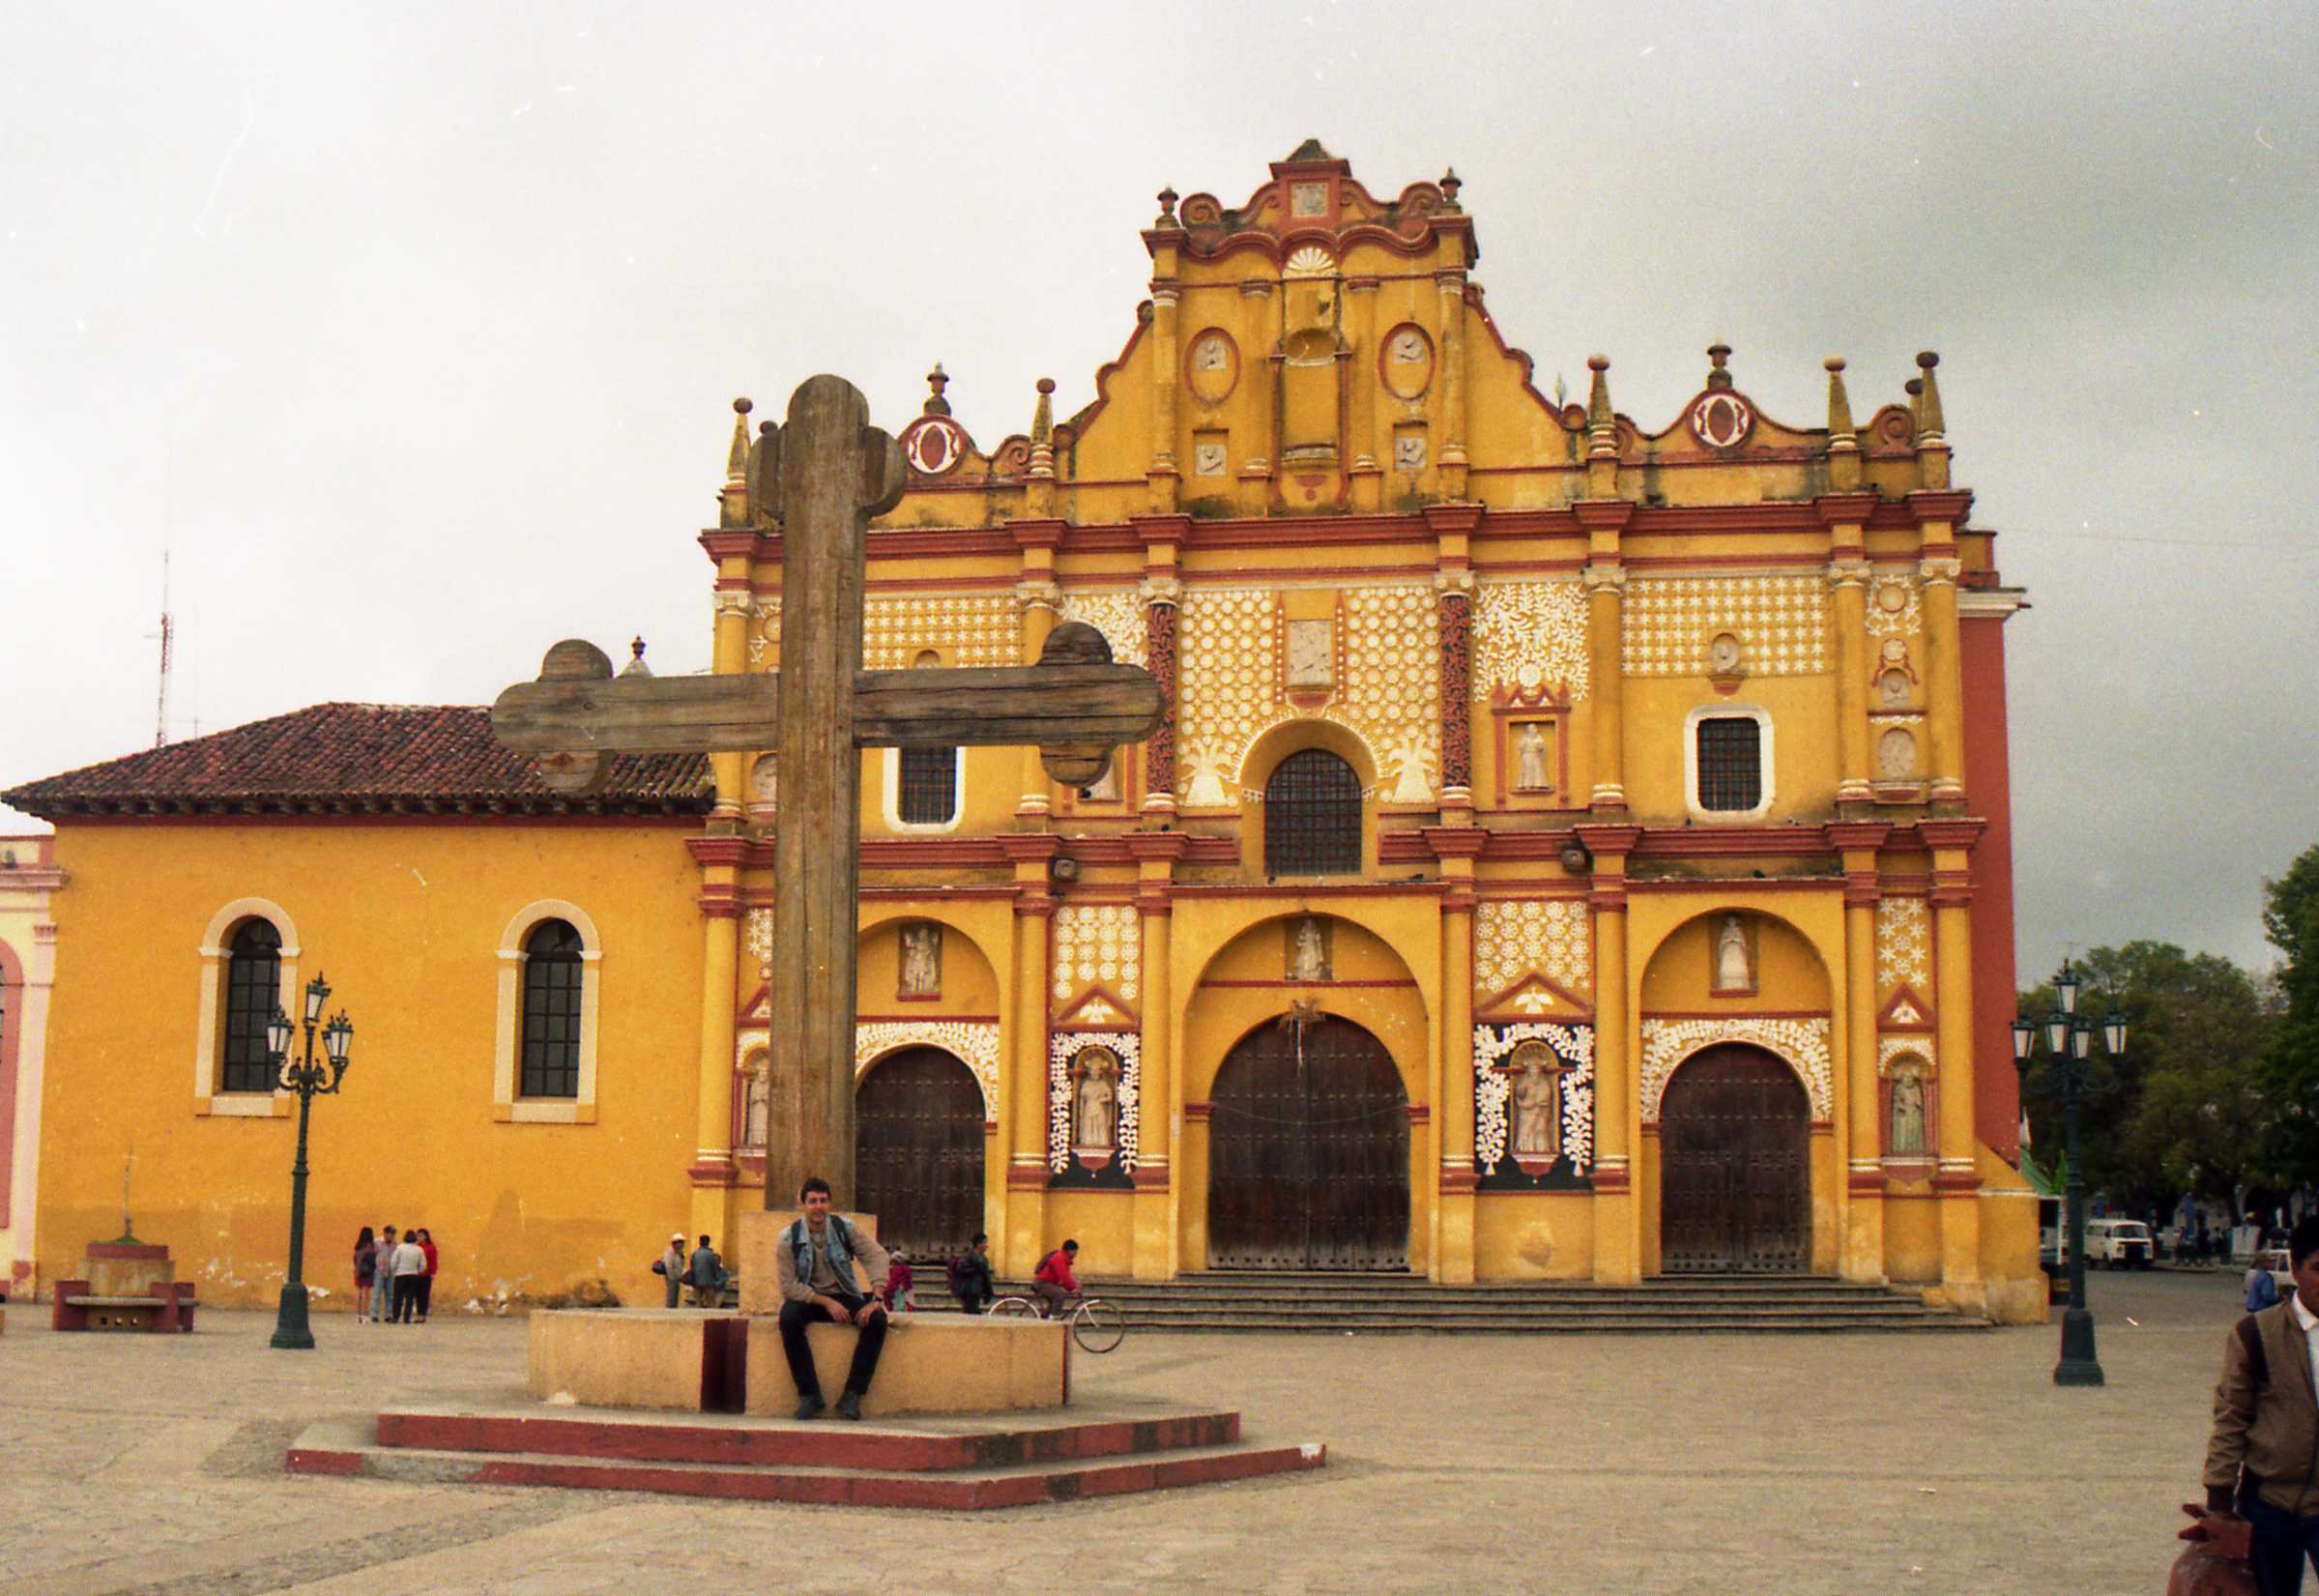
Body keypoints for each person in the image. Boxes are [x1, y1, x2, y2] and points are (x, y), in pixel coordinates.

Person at [2200, 1215, 2319, 1593]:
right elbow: (2231, 1417)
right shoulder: (2257, 1335)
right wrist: (2219, 1497)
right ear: (2296, 1271)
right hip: (2271, 1502)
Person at [771, 1176, 890, 1421]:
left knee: (877, 1321)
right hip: (810, 1299)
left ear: (830, 1203)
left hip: (844, 1294)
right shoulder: (787, 1239)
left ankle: (852, 1395)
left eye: (823, 1201)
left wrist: (876, 1298)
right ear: (803, 1205)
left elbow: (877, 1256)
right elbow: (788, 1287)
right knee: (788, 1318)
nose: (818, 1207)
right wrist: (826, 1302)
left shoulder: (844, 1229)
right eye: (812, 1201)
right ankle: (809, 1395)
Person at [948, 1233, 996, 1316]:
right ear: (978, 1244)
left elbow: (986, 1277)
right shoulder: (968, 1257)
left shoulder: (983, 1259)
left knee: (972, 1312)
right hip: (969, 1290)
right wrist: (975, 1270)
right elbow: (960, 1270)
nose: (986, 1245)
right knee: (972, 1313)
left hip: (977, 1290)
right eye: (984, 1243)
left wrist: (988, 1292)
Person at [1032, 1240, 1081, 1320]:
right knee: (1059, 1295)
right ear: (1069, 1251)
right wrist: (1073, 1288)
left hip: (1047, 1282)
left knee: (1053, 1303)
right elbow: (1064, 1276)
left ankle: (1044, 1320)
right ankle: (1054, 1320)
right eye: (1075, 1251)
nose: (1076, 1254)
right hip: (1042, 1283)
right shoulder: (1059, 1258)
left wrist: (1074, 1286)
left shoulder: (1064, 1259)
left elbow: (1067, 1276)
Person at [389, 1227, 425, 1323]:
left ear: (405, 1237)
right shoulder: (419, 1249)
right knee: (410, 1298)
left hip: (400, 1275)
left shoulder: (400, 1248)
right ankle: (406, 1318)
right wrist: (417, 1271)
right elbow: (423, 1265)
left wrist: (394, 1271)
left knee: (398, 1297)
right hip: (413, 1275)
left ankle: (395, 1317)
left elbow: (393, 1262)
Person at [652, 1233, 687, 1310]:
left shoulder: (679, 1252)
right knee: (671, 1296)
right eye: (681, 1242)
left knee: (675, 1295)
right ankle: (670, 1311)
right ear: (676, 1243)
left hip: (677, 1277)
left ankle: (673, 1309)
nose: (682, 1244)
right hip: (671, 1277)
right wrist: (672, 1277)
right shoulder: (670, 1252)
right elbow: (668, 1266)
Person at [688, 1234, 725, 1309]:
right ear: (708, 1242)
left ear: (700, 1242)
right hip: (708, 1282)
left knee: (698, 1303)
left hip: (696, 1281)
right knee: (711, 1304)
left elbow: (691, 1266)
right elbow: (715, 1268)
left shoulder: (695, 1254)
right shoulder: (711, 1255)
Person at [371, 1226, 398, 1322]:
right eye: (391, 1234)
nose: (392, 1237)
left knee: (390, 1295)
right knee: (376, 1294)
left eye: (393, 1235)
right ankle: (374, 1314)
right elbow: (371, 1255)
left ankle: (388, 1314)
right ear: (385, 1233)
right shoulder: (376, 1242)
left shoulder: (395, 1245)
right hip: (379, 1271)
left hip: (390, 1272)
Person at [415, 1228, 440, 1322]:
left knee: (424, 1295)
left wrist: (433, 1273)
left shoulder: (431, 1247)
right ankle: (418, 1314)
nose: (419, 1238)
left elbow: (434, 1261)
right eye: (418, 1236)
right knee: (417, 1295)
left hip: (426, 1274)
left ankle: (423, 1315)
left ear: (426, 1237)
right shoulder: (416, 1247)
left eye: (421, 1236)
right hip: (417, 1274)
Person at [353, 1226, 377, 1320]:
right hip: (368, 1273)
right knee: (366, 1294)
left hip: (358, 1271)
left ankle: (357, 1314)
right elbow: (373, 1261)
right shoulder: (370, 1248)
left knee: (358, 1293)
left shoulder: (358, 1247)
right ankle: (364, 1314)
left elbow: (355, 1260)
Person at [884, 1248, 915, 1313]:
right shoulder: (904, 1268)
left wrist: (888, 1291)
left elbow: (893, 1281)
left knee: (900, 1307)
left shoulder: (897, 1269)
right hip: (903, 1291)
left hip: (900, 1292)